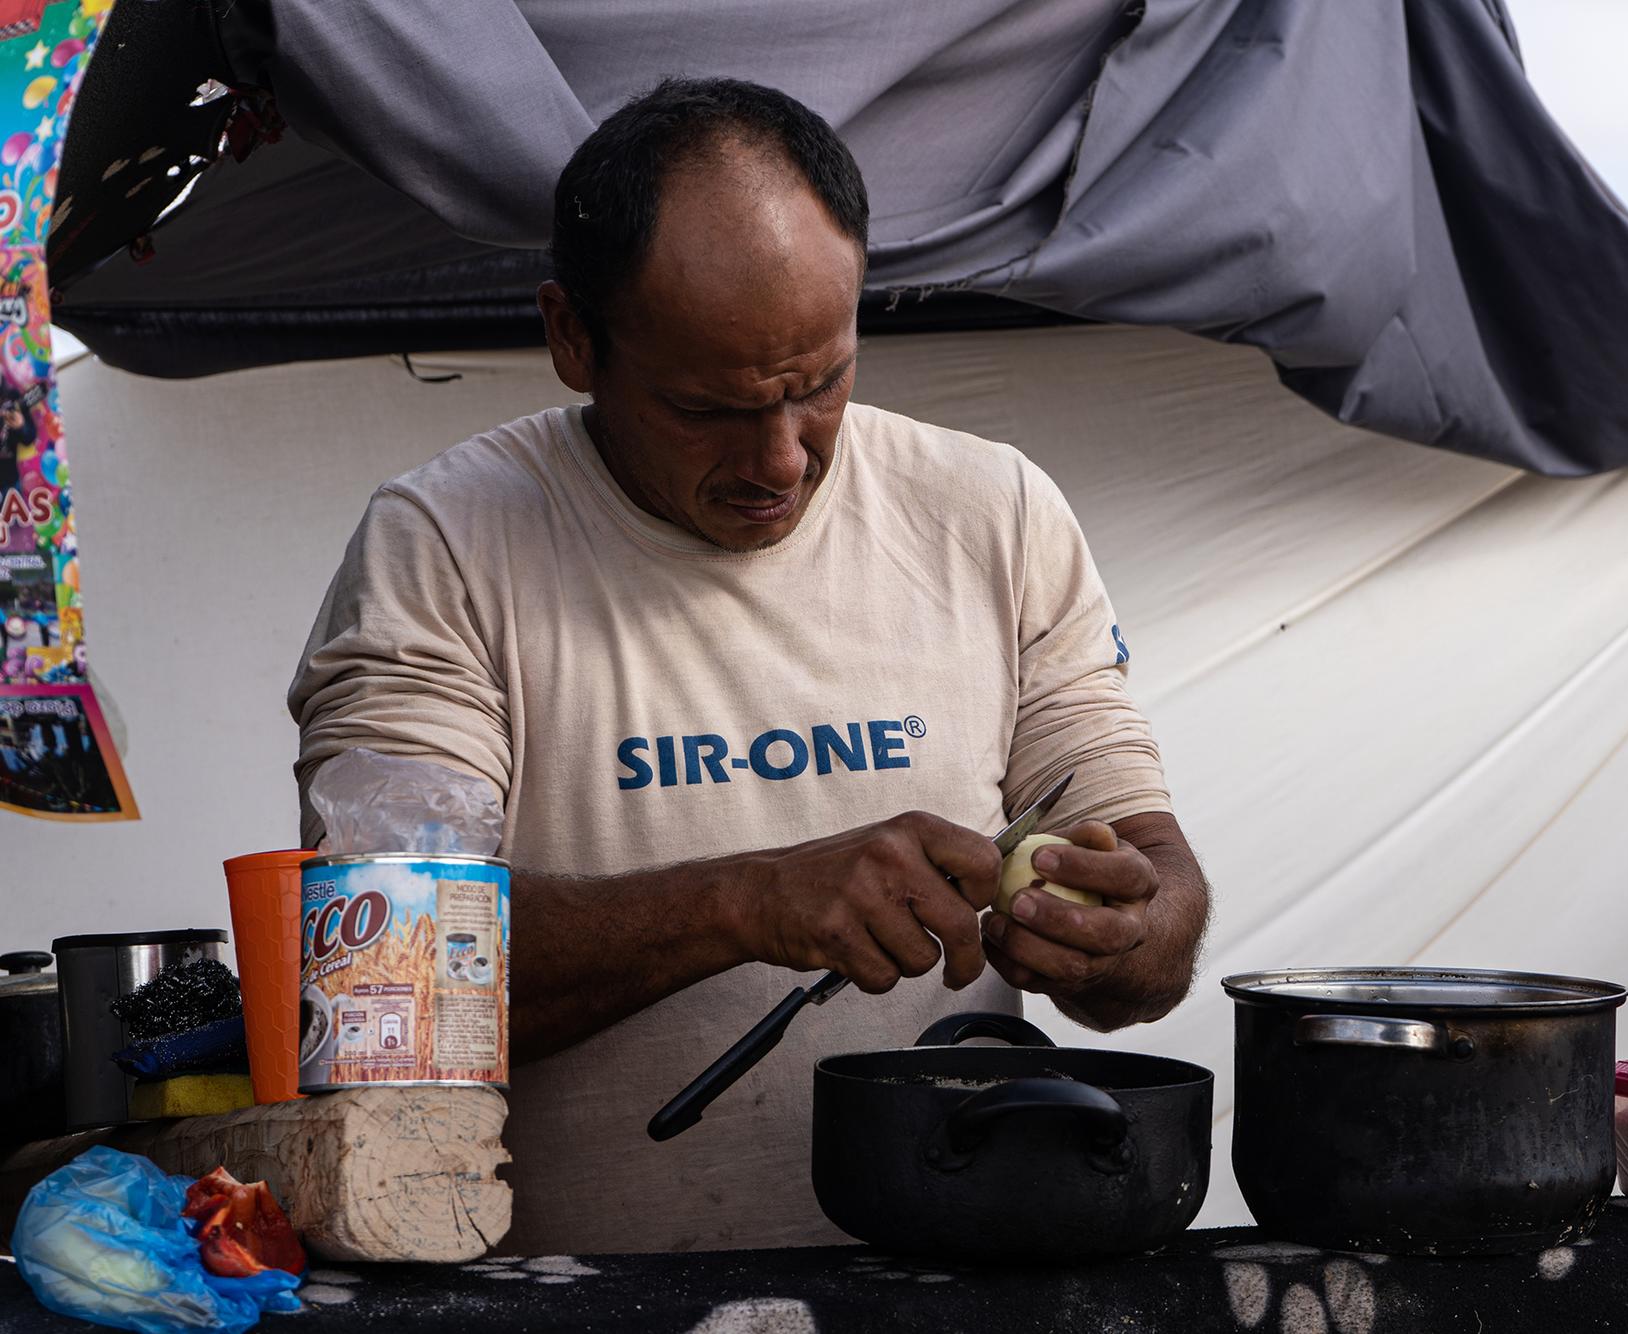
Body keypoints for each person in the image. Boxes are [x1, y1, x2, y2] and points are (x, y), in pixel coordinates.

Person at [290, 77, 1209, 1255]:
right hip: (579, 1305)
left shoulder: (993, 513)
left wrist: (1134, 933)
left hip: (949, 1288)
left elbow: (1152, 878)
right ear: (571, 335)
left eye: (818, 381)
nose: (779, 458)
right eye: (706, 406)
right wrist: (745, 901)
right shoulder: (449, 547)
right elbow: (384, 991)